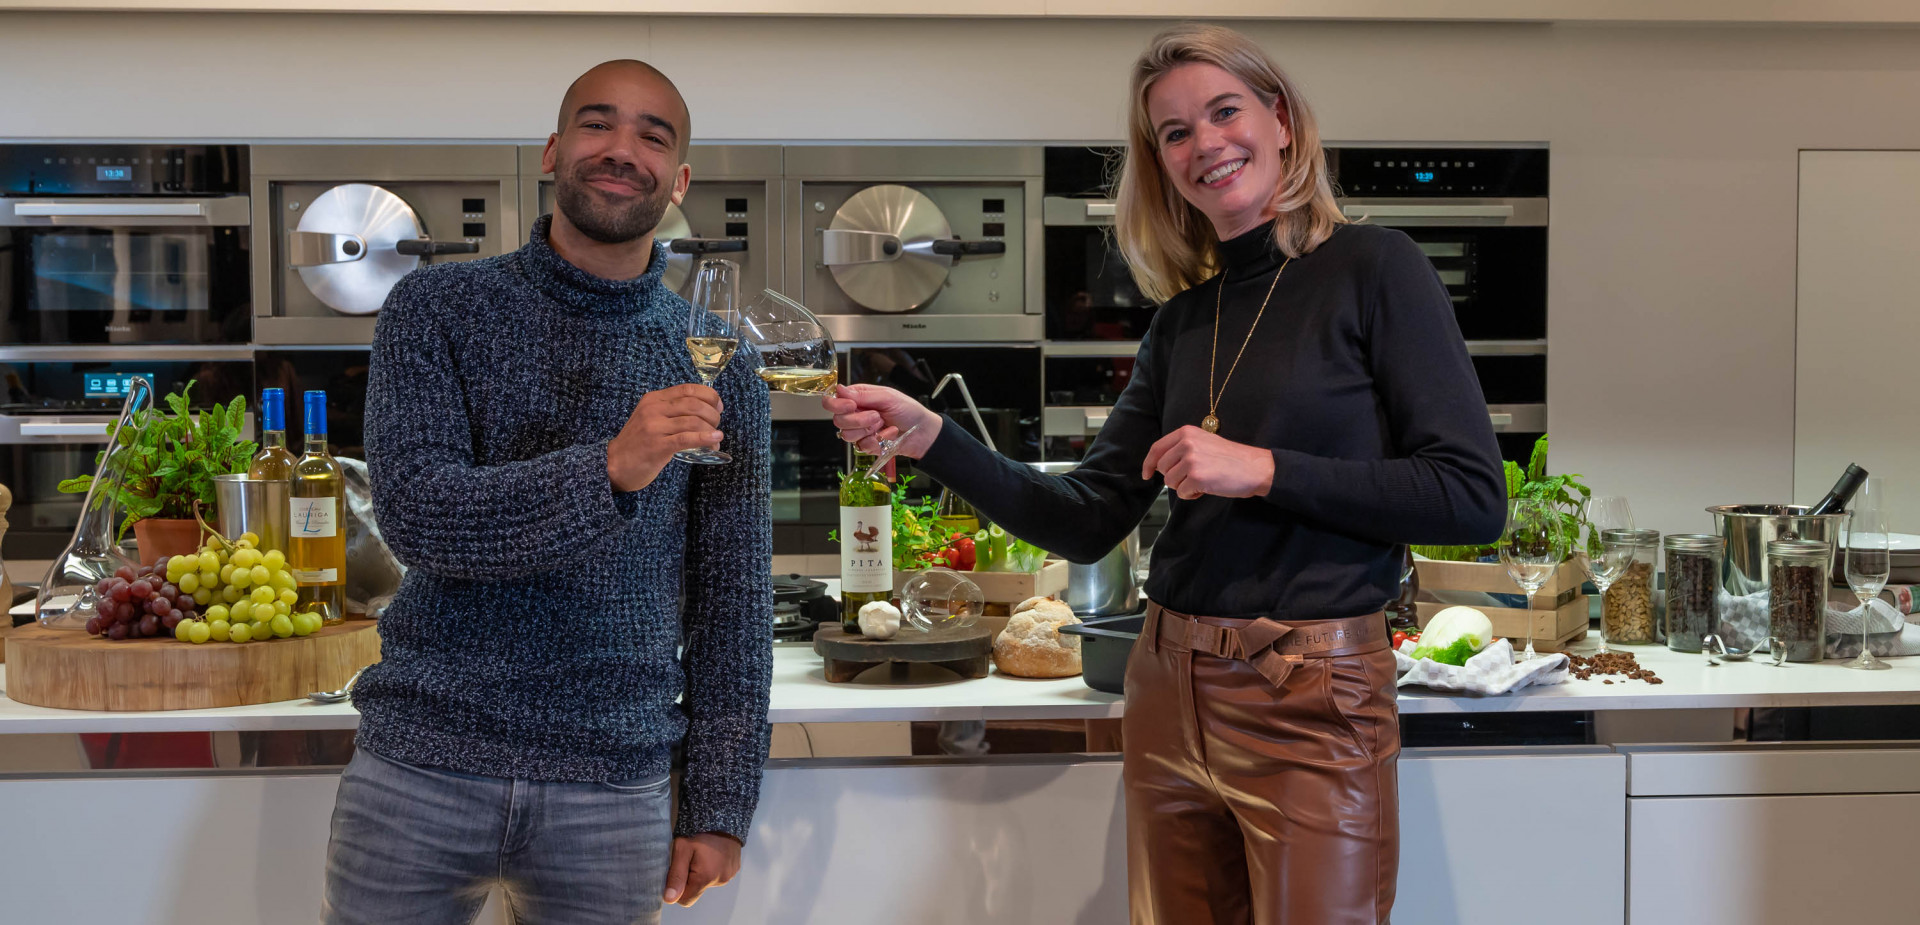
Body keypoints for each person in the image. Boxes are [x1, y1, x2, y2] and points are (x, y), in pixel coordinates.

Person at [825, 24, 1504, 925]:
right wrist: (934, 439)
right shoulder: (1184, 322)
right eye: (1175, 132)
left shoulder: (1377, 269)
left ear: (1282, 121)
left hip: (1310, 694)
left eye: (1224, 112)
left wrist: (1262, 469)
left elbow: (1470, 496)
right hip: (1166, 688)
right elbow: (1085, 517)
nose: (1204, 144)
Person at [324, 59, 773, 925]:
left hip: (615, 781)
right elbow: (417, 516)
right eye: (597, 124)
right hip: (421, 761)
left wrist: (720, 804)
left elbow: (734, 601)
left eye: (652, 136)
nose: (622, 149)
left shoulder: (722, 362)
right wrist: (610, 468)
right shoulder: (434, 307)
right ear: (552, 151)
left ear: (678, 180)